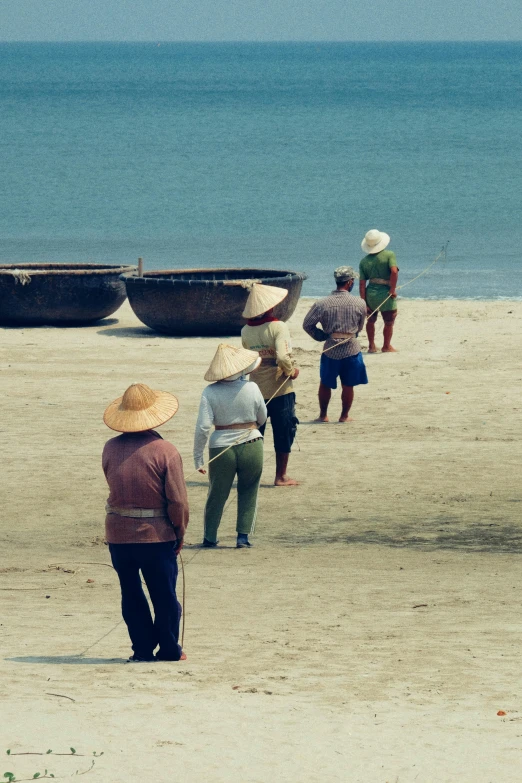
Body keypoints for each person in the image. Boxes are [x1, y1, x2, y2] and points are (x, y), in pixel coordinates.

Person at [102, 383, 189, 663]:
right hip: (156, 536)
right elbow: (178, 502)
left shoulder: (109, 448)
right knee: (164, 596)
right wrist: (180, 531)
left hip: (118, 535)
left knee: (131, 594)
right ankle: (168, 650)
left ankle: (141, 650)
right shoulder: (165, 451)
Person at [194, 343, 267, 549]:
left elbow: (203, 427)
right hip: (252, 442)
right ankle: (242, 537)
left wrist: (198, 458)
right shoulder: (252, 387)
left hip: (221, 446)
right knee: (249, 490)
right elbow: (263, 417)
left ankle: (209, 537)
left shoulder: (209, 392)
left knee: (217, 492)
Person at [241, 283, 300, 487]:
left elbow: (248, 358)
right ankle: (280, 476)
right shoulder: (278, 327)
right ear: (269, 307)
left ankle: (251, 477)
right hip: (280, 387)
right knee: (284, 431)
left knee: (256, 433)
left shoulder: (246, 330)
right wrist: (291, 371)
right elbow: (283, 356)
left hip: (256, 387)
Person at [302, 266, 368, 423]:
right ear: (350, 282)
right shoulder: (359, 303)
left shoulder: (322, 303)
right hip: (351, 348)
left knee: (325, 383)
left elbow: (307, 324)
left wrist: (322, 336)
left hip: (330, 348)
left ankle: (323, 415)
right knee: (348, 384)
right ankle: (344, 416)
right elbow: (359, 327)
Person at [359, 229, 399, 353]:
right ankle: (386, 346)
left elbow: (361, 283)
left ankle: (371, 346)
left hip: (370, 293)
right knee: (389, 321)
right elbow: (394, 271)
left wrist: (364, 301)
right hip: (386, 293)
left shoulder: (364, 261)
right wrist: (392, 289)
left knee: (370, 320)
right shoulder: (389, 255)